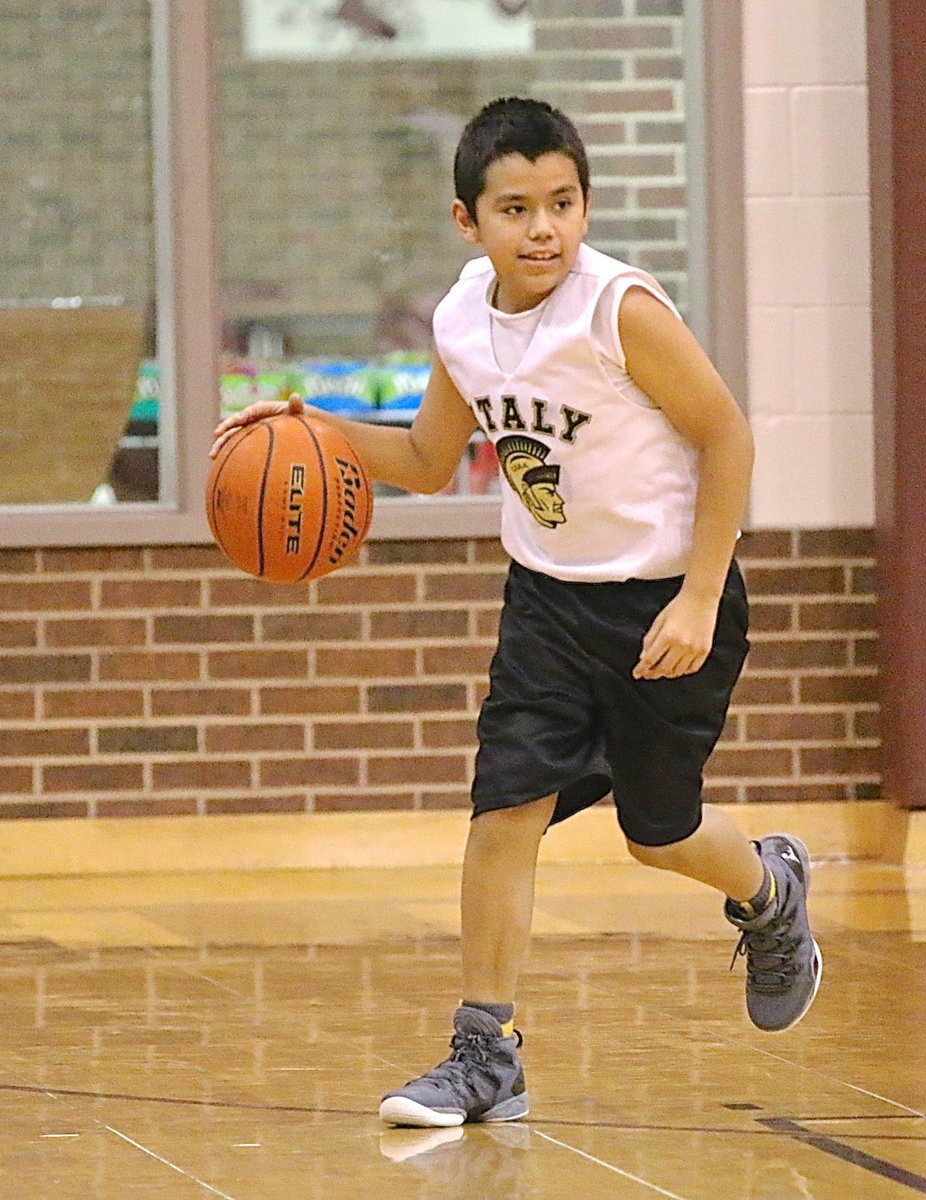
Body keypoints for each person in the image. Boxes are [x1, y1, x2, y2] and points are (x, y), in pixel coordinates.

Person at [210, 96, 821, 1129]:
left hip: (664, 601)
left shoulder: (616, 310)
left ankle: (767, 887)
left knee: (656, 833)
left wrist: (702, 595)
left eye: (562, 203)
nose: (542, 228)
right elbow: (425, 457)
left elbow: (727, 438)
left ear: (583, 206)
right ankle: (484, 1052)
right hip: (544, 602)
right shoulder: (462, 318)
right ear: (468, 221)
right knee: (502, 814)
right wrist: (314, 429)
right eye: (516, 208)